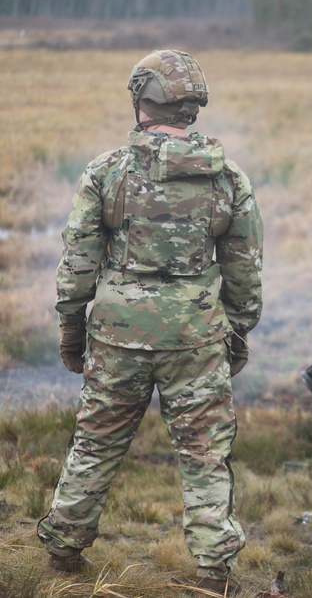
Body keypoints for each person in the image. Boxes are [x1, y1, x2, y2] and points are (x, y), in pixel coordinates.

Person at [38, 50, 263, 596]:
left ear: (142, 100)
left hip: (117, 337)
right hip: (197, 337)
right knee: (206, 454)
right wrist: (235, 333)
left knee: (95, 444)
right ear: (191, 107)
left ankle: (63, 555)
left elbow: (78, 266)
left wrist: (71, 333)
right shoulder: (227, 177)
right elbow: (245, 274)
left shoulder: (108, 170)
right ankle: (213, 570)